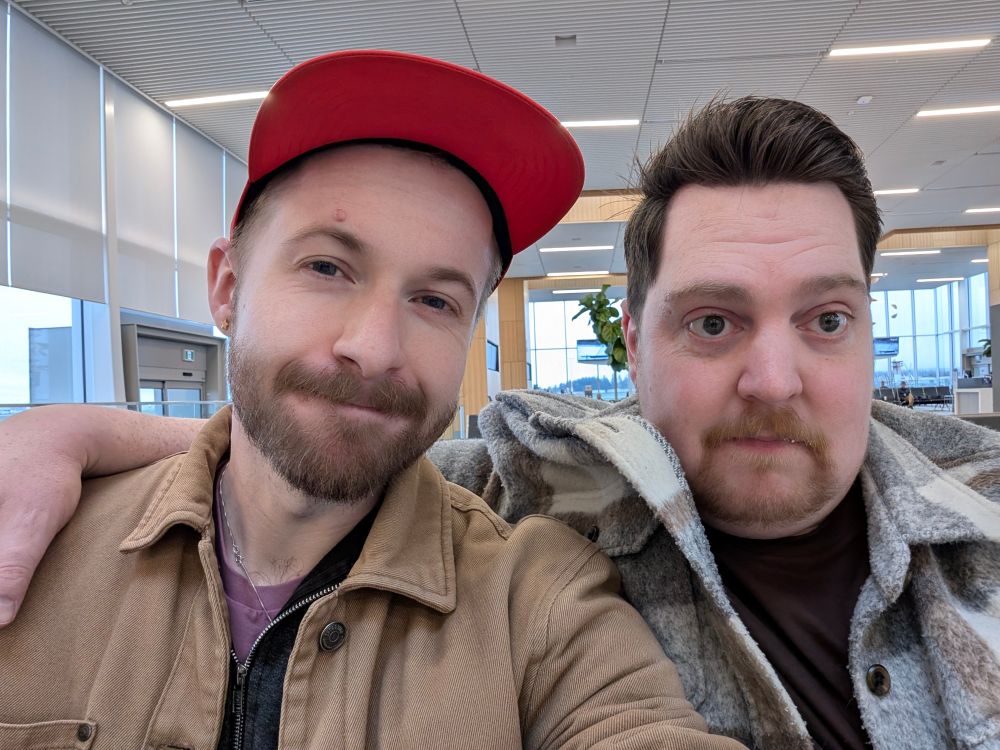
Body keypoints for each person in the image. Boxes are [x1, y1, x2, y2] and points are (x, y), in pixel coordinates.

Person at [3, 96, 1000, 749]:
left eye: (826, 320)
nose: (774, 380)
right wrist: (69, 437)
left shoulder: (983, 508)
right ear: (632, 346)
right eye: (712, 322)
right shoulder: (543, 488)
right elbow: (305, 454)